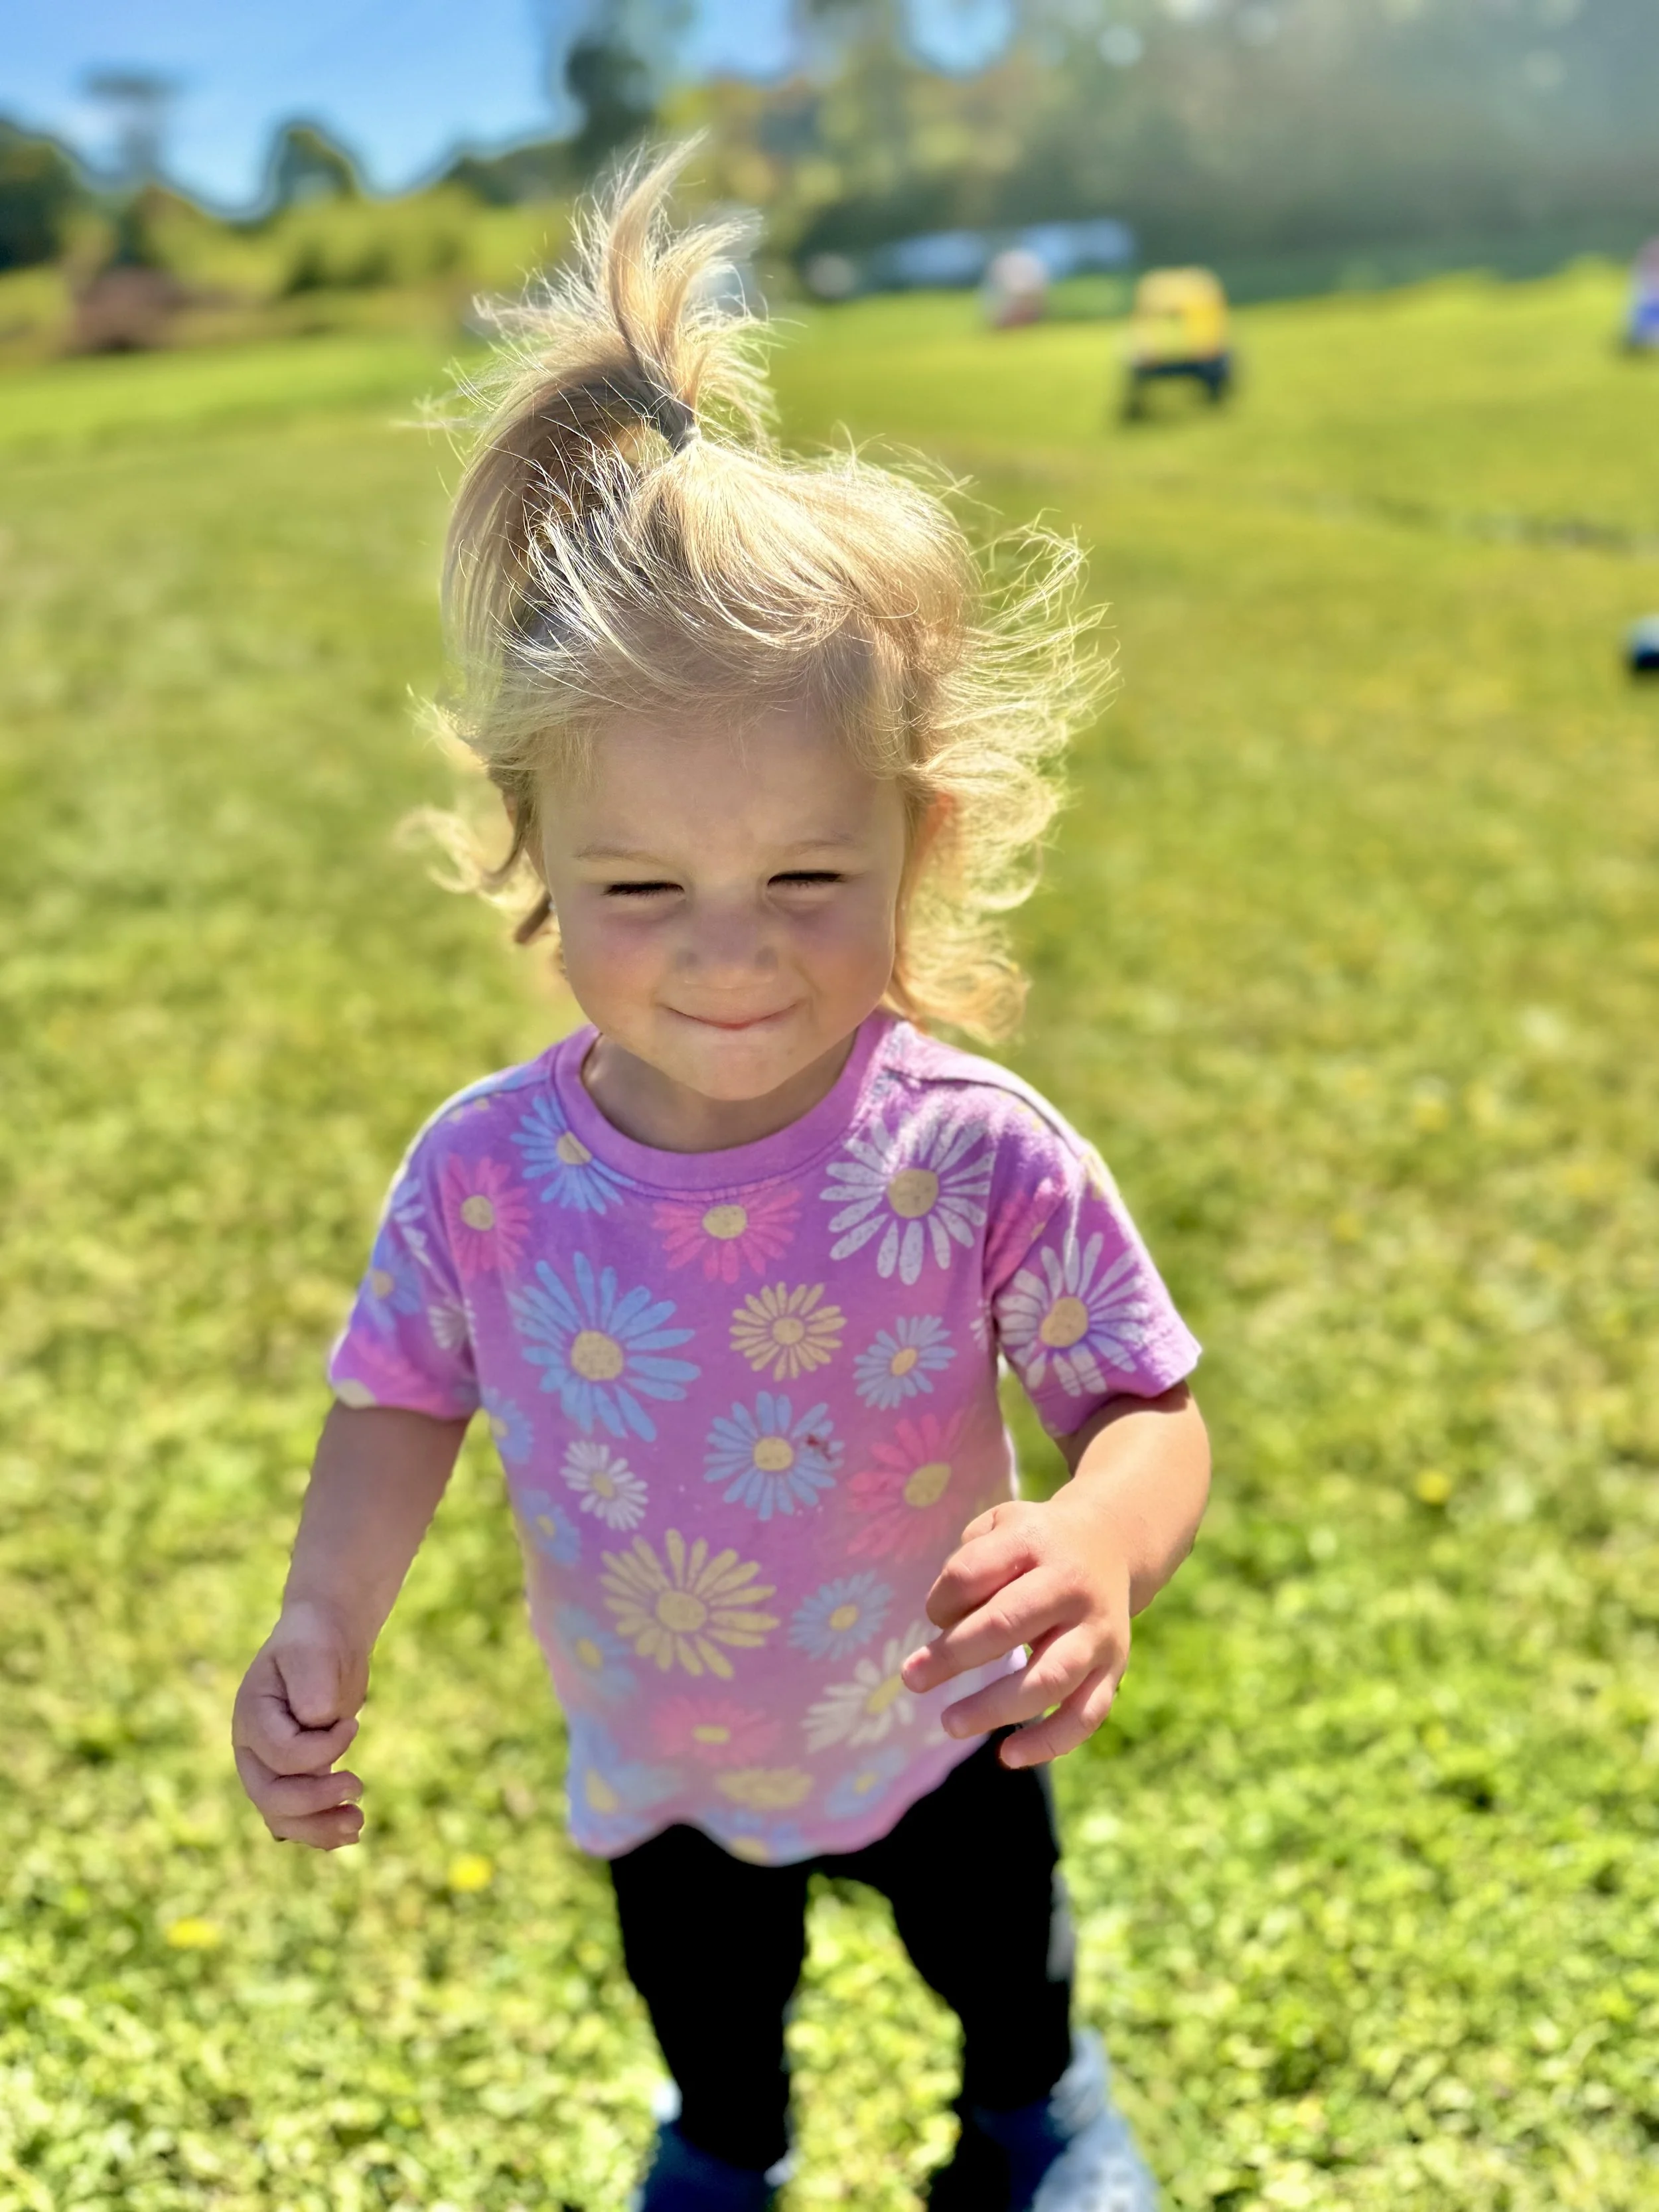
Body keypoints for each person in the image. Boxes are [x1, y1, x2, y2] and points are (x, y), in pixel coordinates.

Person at [231, 146, 1211, 2212]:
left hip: (937, 1713)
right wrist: (322, 1613)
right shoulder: (488, 1177)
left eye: (805, 876)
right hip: (662, 1748)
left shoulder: (964, 1150)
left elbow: (1142, 1399)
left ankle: (1038, 2112)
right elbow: (401, 1395)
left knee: (997, 1957)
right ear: (537, 857)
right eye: (643, 888)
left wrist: (1102, 1540)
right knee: (705, 1996)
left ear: (918, 841)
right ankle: (724, 2143)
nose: (729, 952)